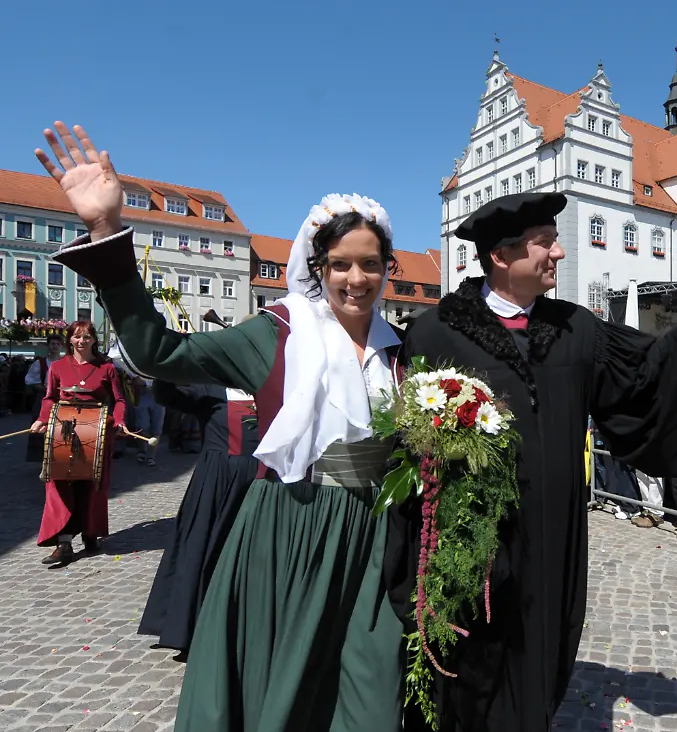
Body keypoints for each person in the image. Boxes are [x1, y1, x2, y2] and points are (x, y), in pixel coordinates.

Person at [35, 122, 407, 731]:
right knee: (277, 686)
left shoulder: (401, 351)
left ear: (388, 265)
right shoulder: (277, 333)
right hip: (289, 527)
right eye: (340, 265)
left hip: (370, 542)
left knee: (369, 692)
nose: (356, 279)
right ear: (319, 266)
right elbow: (158, 351)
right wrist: (105, 230)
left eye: (370, 263)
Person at [390, 190, 677, 730]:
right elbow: (407, 445)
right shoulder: (437, 332)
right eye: (545, 242)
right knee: (469, 653)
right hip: (472, 537)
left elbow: (645, 375)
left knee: (540, 640)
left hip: (553, 531)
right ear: (501, 257)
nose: (560, 253)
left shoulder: (576, 328)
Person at [137, 340, 261, 658]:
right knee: (203, 551)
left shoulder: (273, 383)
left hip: (263, 483)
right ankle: (190, 628)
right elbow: (168, 397)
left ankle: (246, 630)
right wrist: (163, 367)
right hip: (217, 482)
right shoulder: (211, 386)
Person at [31, 321, 128, 566]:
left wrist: (119, 421)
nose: (82, 341)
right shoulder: (58, 367)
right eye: (76, 337)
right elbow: (50, 398)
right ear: (70, 340)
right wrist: (42, 419)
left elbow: (119, 400)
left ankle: (90, 533)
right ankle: (63, 542)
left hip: (97, 431)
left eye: (86, 337)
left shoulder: (107, 367)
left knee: (93, 485)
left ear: (94, 340)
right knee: (58, 483)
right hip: (63, 430)